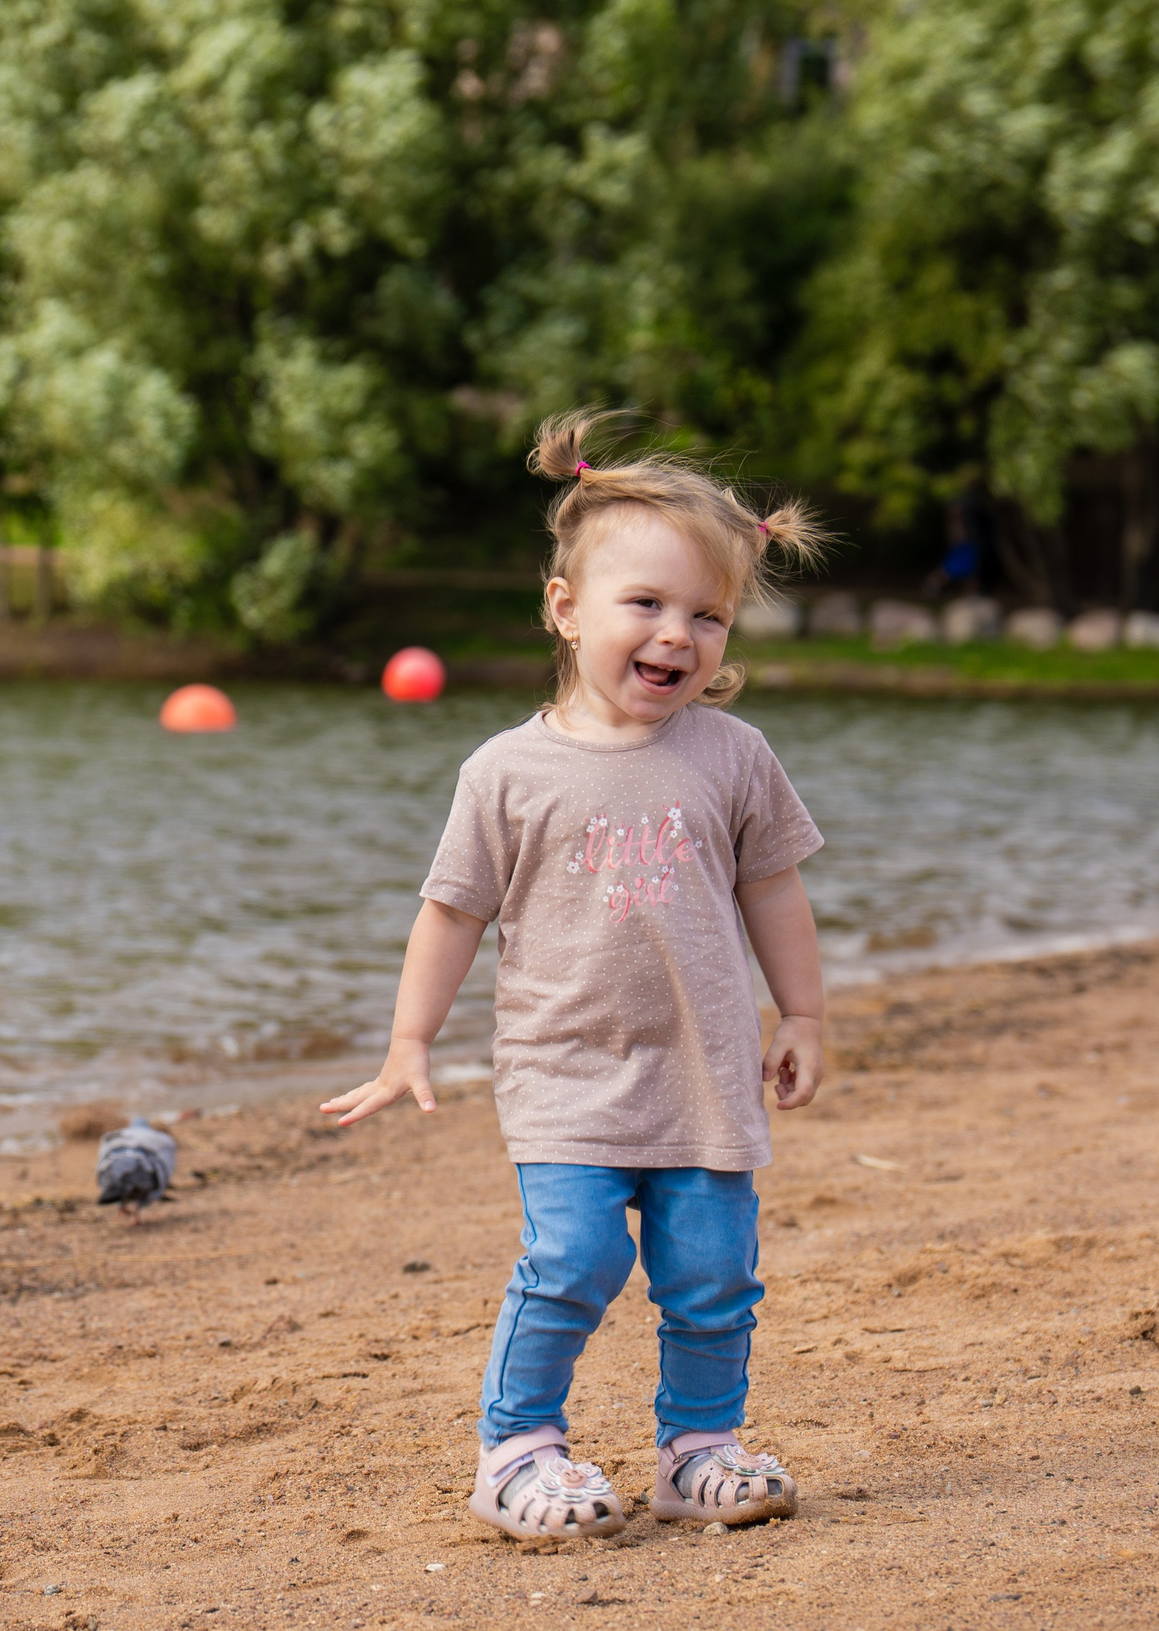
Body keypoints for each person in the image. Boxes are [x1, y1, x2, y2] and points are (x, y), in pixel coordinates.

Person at [322, 409, 831, 1540]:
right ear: (564, 609)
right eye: (644, 605)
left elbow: (773, 890)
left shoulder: (732, 755)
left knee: (712, 1275)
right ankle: (516, 1450)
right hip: (563, 1074)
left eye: (706, 615)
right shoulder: (508, 771)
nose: (676, 635)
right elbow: (450, 913)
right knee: (574, 1257)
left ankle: (696, 1447)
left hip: (703, 1070)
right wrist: (410, 1042)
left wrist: (800, 1010)